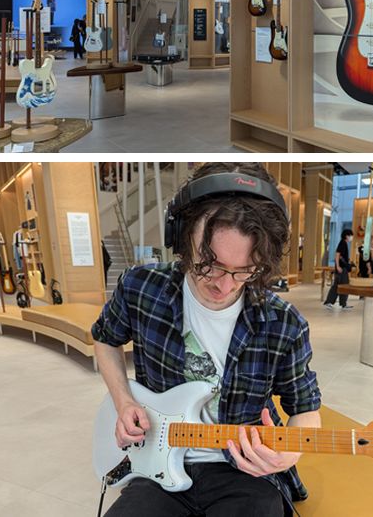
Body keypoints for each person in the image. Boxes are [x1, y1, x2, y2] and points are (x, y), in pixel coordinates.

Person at [93, 162, 321, 517]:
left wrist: (286, 455)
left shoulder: (283, 323)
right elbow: (105, 341)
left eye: (245, 270)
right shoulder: (141, 287)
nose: (224, 285)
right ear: (182, 236)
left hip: (242, 472)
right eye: (208, 264)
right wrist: (123, 403)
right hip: (155, 462)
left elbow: (306, 409)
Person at [323, 229, 354, 310]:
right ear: (347, 236)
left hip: (341, 268)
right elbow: (337, 255)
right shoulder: (343, 243)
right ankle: (342, 304)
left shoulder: (344, 243)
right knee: (344, 286)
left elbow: (340, 256)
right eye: (350, 235)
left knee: (337, 286)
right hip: (341, 269)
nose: (351, 237)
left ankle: (330, 302)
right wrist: (338, 266)